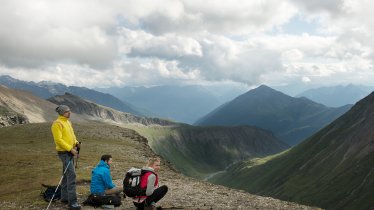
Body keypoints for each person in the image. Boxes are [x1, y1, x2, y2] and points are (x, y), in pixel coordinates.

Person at [51, 105, 81, 210]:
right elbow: (58, 140)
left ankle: (64, 198)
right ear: (62, 113)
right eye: (67, 111)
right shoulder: (57, 124)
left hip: (70, 151)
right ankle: (72, 203)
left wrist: (76, 142)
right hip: (64, 153)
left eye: (69, 111)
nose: (69, 113)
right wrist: (70, 149)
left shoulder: (68, 122)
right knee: (71, 175)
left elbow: (72, 135)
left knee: (66, 175)